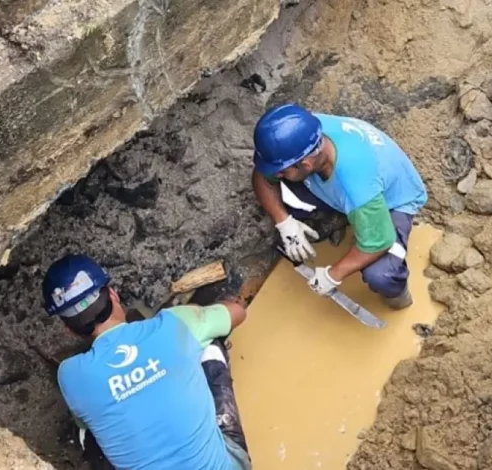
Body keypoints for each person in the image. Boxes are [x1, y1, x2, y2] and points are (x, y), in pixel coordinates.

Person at [42, 254, 251, 470]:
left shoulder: (70, 376)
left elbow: (85, 422)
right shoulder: (174, 323)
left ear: (69, 328)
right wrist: (211, 310)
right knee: (205, 342)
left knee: (92, 431)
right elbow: (237, 313)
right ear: (113, 294)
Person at [251, 103, 428, 309]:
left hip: (393, 202)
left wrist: (332, 275)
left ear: (306, 164)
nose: (277, 175)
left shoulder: (355, 186)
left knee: (381, 274)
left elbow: (379, 242)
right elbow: (261, 176)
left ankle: (399, 299)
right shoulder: (300, 136)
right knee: (289, 199)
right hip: (353, 191)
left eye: (281, 171)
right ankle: (341, 217)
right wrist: (284, 222)